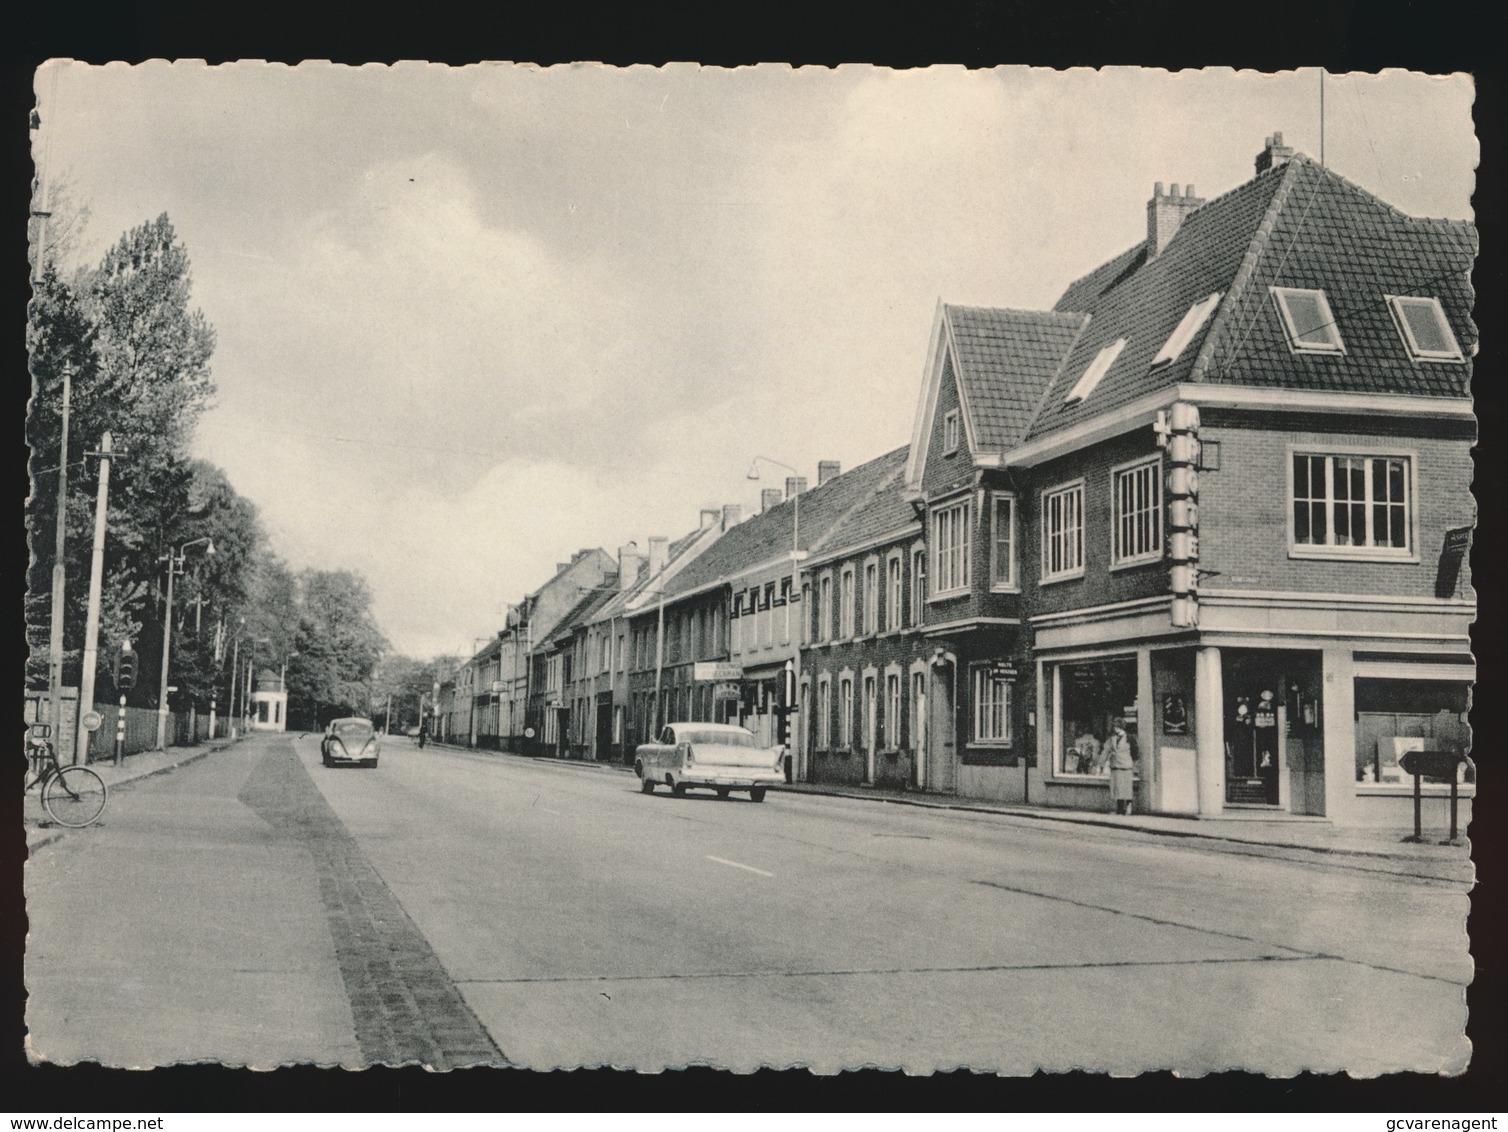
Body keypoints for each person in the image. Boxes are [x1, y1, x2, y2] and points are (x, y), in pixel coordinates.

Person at [1104, 717, 1136, 814]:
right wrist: (1102, 763)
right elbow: (1106, 750)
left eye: (1117, 726)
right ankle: (1120, 809)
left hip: (1126, 767)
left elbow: (1135, 752)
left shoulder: (1129, 738)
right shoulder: (1112, 738)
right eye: (1114, 726)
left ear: (1122, 727)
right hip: (1115, 766)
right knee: (1117, 788)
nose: (1115, 728)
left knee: (1126, 788)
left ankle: (1128, 807)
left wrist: (1132, 763)